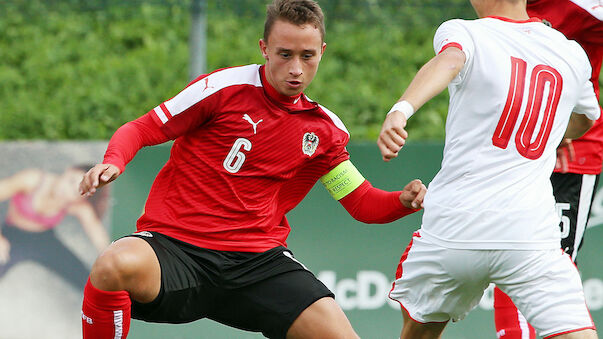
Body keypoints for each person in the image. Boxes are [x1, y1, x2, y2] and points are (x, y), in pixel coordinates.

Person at [78, 0, 427, 338]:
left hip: (258, 263)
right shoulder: (222, 89)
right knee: (113, 266)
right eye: (284, 54)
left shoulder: (324, 131)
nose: (296, 68)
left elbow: (361, 202)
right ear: (264, 48)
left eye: (307, 56)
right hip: (177, 248)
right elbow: (142, 128)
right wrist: (114, 160)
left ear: (322, 50)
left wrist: (403, 200)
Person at [378, 0, 600, 338]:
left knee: (418, 330)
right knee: (576, 332)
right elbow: (587, 117)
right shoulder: (570, 53)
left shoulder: (464, 32)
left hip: (454, 229)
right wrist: (551, 130)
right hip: (527, 235)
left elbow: (449, 61)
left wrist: (401, 110)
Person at [492, 1, 603, 338]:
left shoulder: (579, 5)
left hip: (569, 157)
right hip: (509, 153)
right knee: (507, 258)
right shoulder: (500, 6)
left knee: (548, 271)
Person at [0, 165, 110, 291]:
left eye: (76, 192)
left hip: (43, 239)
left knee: (84, 277)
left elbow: (96, 232)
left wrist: (110, 259)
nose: (67, 191)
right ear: (69, 170)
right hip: (12, 235)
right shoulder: (32, 180)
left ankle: (120, 303)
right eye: (71, 181)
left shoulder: (75, 204)